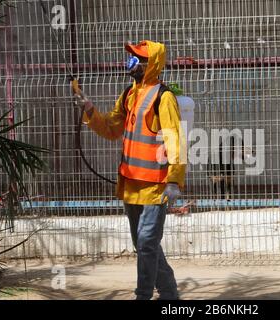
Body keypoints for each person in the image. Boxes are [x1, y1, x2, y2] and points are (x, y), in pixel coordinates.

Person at [74, 40, 186, 300]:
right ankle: (169, 294)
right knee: (143, 245)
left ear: (151, 65)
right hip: (131, 184)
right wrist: (90, 109)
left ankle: (143, 295)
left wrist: (175, 180)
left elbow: (175, 139)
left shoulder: (163, 97)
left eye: (138, 59)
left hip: (156, 186)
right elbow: (112, 129)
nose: (131, 63)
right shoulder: (129, 95)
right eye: (132, 58)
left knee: (147, 243)